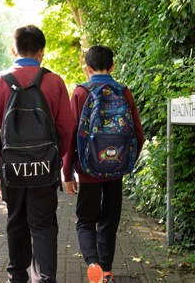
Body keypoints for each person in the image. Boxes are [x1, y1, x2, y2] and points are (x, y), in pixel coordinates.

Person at [0, 25, 73, 283]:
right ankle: (44, 278)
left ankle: (18, 278)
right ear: (42, 52)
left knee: (16, 223)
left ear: (14, 50)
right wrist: (56, 160)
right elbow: (66, 129)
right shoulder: (54, 82)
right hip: (45, 170)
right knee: (44, 226)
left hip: (12, 170)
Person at [63, 45, 145, 283]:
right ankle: (107, 271)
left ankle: (93, 264)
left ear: (87, 68)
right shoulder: (124, 92)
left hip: (88, 170)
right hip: (115, 170)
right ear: (113, 66)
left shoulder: (80, 93)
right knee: (109, 221)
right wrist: (125, 160)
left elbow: (70, 137)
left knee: (86, 221)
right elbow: (138, 135)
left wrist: (67, 173)